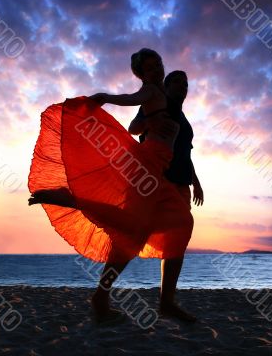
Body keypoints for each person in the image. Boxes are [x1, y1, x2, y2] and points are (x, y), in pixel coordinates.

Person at [28, 48, 195, 324]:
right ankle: (73, 200)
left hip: (156, 172)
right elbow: (134, 109)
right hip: (147, 168)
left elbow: (166, 137)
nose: (157, 70)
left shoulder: (163, 100)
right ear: (141, 74)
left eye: (159, 64)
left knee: (140, 231)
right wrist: (105, 98)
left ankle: (110, 297)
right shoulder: (152, 93)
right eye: (150, 68)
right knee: (148, 228)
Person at [128, 69, 204, 323]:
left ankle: (166, 302)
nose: (183, 86)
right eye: (178, 82)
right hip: (157, 180)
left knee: (178, 239)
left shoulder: (184, 119)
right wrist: (150, 123)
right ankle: (102, 295)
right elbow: (134, 128)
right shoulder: (156, 104)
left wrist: (197, 183)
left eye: (186, 82)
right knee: (132, 234)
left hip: (182, 184)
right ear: (167, 85)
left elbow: (186, 154)